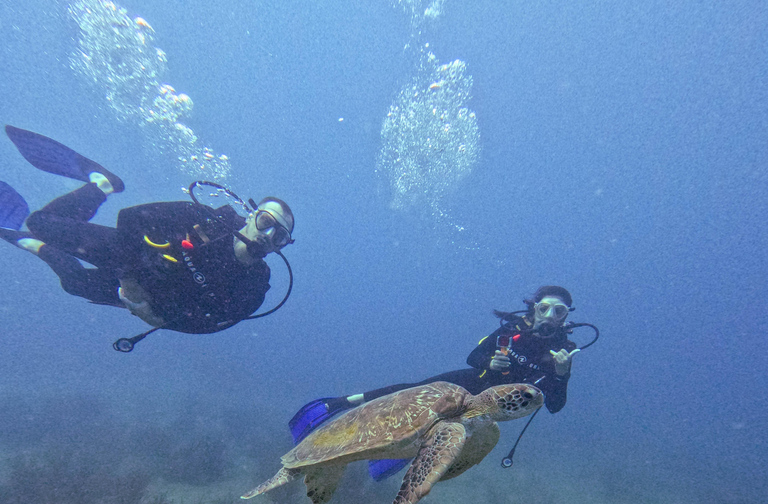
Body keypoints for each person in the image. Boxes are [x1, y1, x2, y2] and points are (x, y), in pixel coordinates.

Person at [0, 125, 294, 344]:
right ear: (251, 216)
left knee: (73, 283)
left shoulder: (255, 284)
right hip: (127, 255)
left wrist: (155, 317)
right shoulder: (203, 217)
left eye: (279, 236)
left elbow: (213, 324)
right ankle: (103, 184)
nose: (267, 235)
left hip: (151, 301)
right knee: (41, 221)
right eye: (266, 221)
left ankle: (34, 245)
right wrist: (128, 274)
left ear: (281, 246)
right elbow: (130, 218)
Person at [288, 285, 587, 480]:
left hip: (487, 411)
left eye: (558, 311)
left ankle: (398, 460)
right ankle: (338, 404)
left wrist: (563, 374)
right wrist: (489, 362)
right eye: (544, 307)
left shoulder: (560, 355)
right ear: (533, 307)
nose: (549, 315)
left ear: (566, 318)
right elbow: (474, 356)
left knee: (439, 435)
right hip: (470, 383)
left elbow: (554, 406)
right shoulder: (511, 332)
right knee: (409, 391)